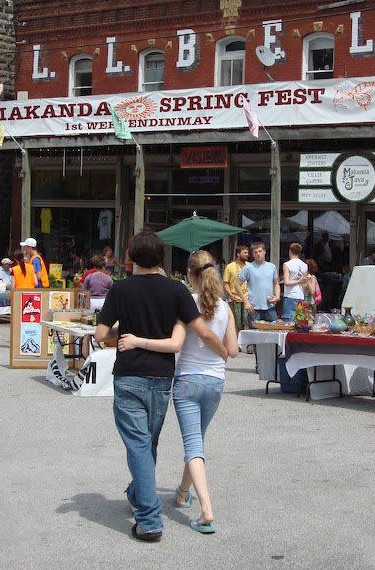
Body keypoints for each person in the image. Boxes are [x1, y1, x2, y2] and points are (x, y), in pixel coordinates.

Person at [93, 230, 224, 543]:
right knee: (147, 441)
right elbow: (200, 329)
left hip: (129, 376)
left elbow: (100, 335)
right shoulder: (176, 290)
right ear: (161, 257)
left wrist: (123, 330)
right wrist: (225, 350)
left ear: (133, 258)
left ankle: (149, 519)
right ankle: (139, 492)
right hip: (162, 378)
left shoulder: (120, 290)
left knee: (138, 444)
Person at [159, 251, 238, 534]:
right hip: (215, 382)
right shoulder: (225, 307)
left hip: (188, 381)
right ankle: (182, 493)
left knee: (193, 446)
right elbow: (234, 350)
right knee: (197, 443)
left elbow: (176, 340)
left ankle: (207, 511)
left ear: (190, 275)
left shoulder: (185, 304)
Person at [238, 242, 280, 323]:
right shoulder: (248, 267)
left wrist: (277, 296)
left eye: (260, 251)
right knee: (254, 334)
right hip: (254, 308)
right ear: (252, 254)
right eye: (255, 252)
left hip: (270, 307)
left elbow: (276, 283)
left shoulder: (272, 266)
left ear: (264, 252)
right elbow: (237, 285)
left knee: (273, 333)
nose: (258, 254)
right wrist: (246, 302)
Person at [222, 245, 250, 331]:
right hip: (235, 299)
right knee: (235, 323)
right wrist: (230, 294)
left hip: (247, 299)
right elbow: (225, 283)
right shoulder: (230, 266)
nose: (247, 254)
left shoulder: (249, 266)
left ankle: (246, 343)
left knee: (247, 322)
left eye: (247, 252)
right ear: (238, 254)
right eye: (245, 253)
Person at [280, 242, 309, 321]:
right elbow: (305, 284)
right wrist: (300, 281)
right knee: (299, 320)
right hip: (300, 296)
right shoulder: (305, 265)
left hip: (290, 295)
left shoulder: (287, 264)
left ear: (290, 251)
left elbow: (287, 282)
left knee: (289, 320)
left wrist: (298, 281)